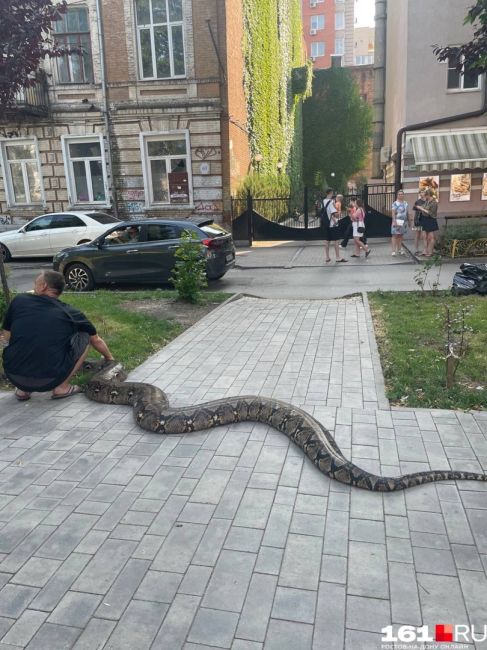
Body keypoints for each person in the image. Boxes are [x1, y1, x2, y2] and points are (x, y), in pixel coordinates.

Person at [1, 270, 114, 401]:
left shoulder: (19, 301)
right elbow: (96, 339)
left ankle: (23, 390)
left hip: (13, 374)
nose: (33, 285)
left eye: (36, 282)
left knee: (24, 339)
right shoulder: (71, 313)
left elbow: (7, 334)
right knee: (85, 335)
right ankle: (61, 387)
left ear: (43, 286)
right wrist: (110, 359)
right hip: (50, 379)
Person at [321, 188, 347, 263]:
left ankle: (327, 257)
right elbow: (334, 214)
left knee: (327, 240)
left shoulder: (323, 201)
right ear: (331, 193)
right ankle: (338, 257)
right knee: (336, 240)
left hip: (325, 224)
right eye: (333, 193)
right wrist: (339, 212)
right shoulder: (331, 201)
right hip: (333, 224)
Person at [414, 188, 438, 258]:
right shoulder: (427, 201)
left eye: (425, 195)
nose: (425, 196)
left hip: (430, 220)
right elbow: (423, 208)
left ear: (429, 195)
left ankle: (430, 251)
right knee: (425, 236)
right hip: (424, 220)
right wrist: (422, 208)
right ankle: (425, 250)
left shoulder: (434, 203)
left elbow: (430, 213)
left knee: (431, 237)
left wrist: (421, 209)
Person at [391, 189, 410, 256]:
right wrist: (394, 221)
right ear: (397, 195)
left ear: (403, 195)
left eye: (402, 194)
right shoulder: (395, 203)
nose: (401, 195)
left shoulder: (405, 203)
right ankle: (393, 251)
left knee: (400, 236)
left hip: (404, 221)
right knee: (395, 235)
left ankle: (399, 249)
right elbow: (393, 213)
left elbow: (407, 212)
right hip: (397, 221)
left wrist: (409, 221)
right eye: (399, 194)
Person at [412, 190, 426, 255]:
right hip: (418, 220)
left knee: (424, 235)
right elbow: (415, 210)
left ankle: (425, 249)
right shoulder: (417, 201)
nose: (422, 193)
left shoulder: (428, 201)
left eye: (423, 192)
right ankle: (416, 249)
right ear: (419, 194)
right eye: (421, 192)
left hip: (425, 220)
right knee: (417, 235)